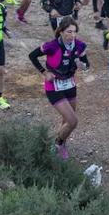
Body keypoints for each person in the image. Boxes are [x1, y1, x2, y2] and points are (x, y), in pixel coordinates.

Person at [29, 19, 90, 160]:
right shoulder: (52, 45)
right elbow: (32, 56)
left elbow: (87, 65)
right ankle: (57, 144)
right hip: (53, 86)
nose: (73, 35)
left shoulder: (80, 46)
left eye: (75, 32)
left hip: (70, 84)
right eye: (69, 32)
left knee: (66, 120)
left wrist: (83, 65)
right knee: (73, 121)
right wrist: (44, 72)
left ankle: (61, 144)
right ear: (61, 31)